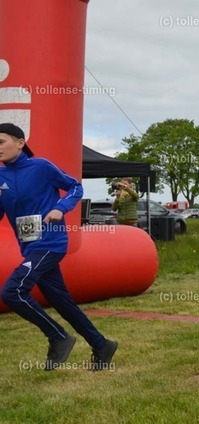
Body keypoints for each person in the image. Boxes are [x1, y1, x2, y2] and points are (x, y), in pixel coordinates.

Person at [0, 123, 117, 371]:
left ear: (20, 143)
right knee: (62, 303)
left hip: (50, 242)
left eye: (1, 142)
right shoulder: (1, 177)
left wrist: (60, 208)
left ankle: (58, 336)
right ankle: (101, 345)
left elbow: (75, 186)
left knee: (13, 291)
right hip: (29, 247)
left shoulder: (41, 167)